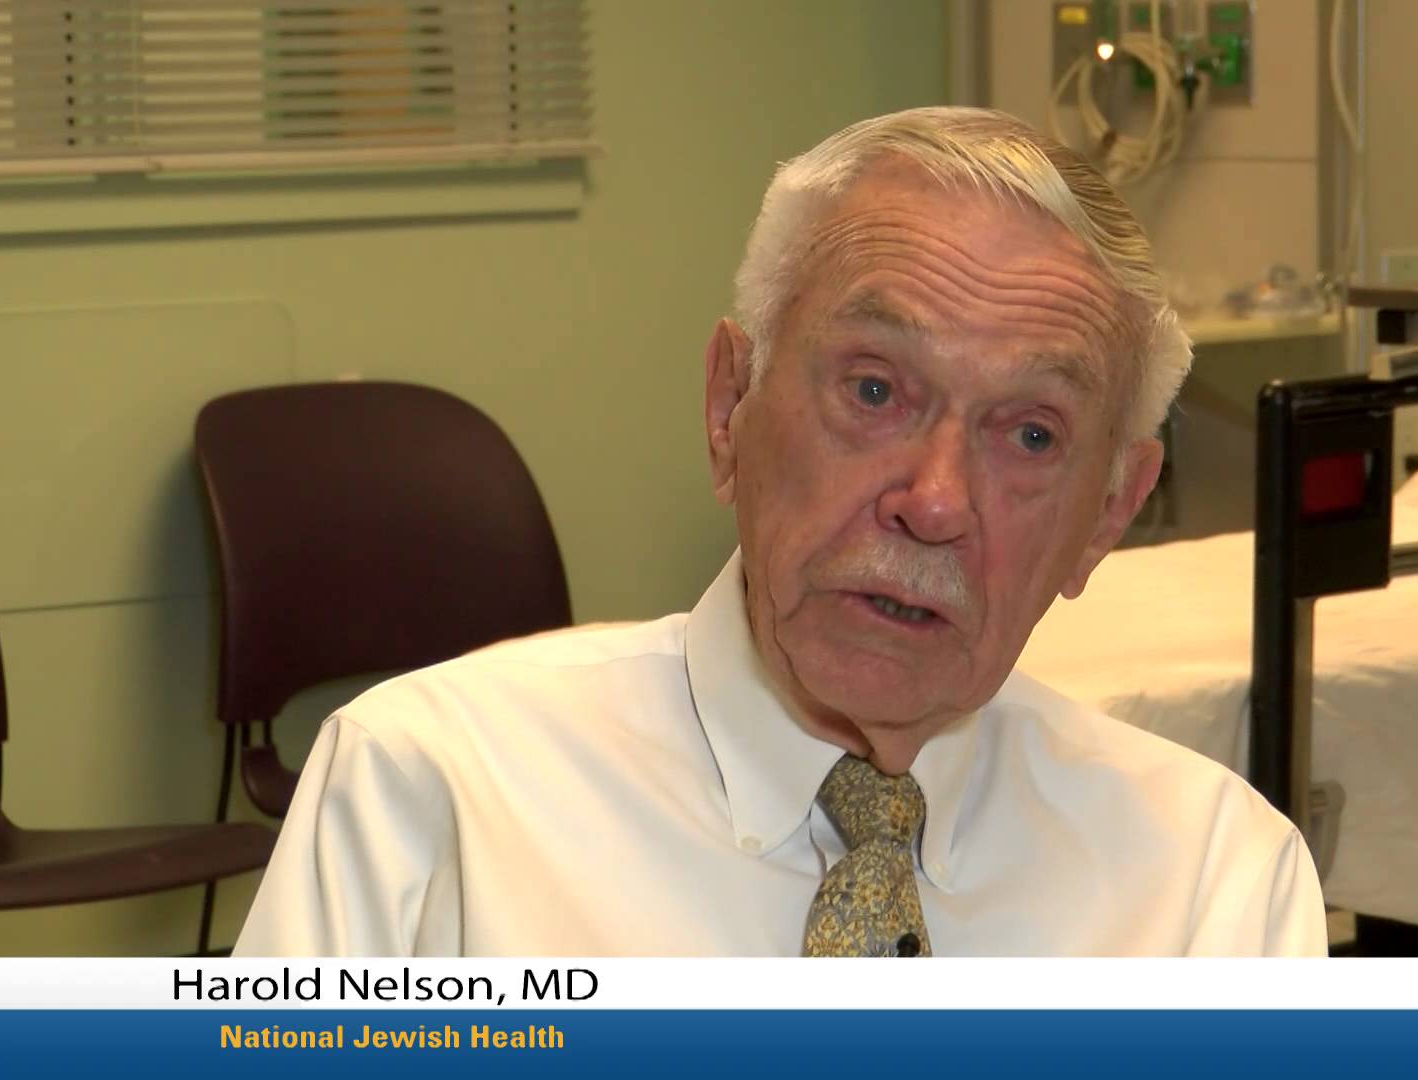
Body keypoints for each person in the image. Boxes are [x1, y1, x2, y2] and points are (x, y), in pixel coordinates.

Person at [234, 107, 1326, 957]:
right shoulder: (431, 798)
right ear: (729, 408)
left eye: (1032, 435)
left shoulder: (1211, 885)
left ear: (1108, 515)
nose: (934, 501)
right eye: (874, 389)